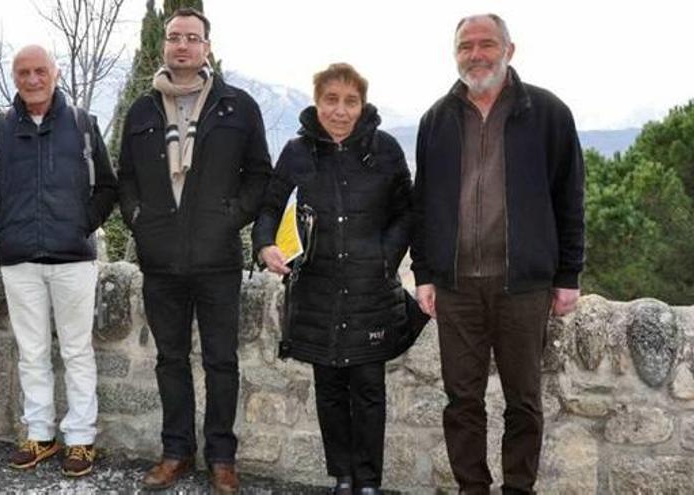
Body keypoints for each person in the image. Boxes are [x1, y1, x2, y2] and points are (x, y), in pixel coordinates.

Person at [411, 14, 585, 494]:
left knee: (524, 401)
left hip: (523, 286)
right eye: (465, 46)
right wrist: (424, 272)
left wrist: (568, 274)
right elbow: (423, 202)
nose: (475, 54)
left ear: (510, 50)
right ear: (456, 54)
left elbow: (569, 197)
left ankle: (518, 488)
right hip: (457, 285)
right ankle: (472, 487)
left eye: (486, 44)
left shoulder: (548, 113)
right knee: (461, 399)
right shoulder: (436, 119)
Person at [116, 7, 271, 493]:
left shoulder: (237, 106)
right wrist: (141, 223)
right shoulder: (142, 110)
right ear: (165, 46)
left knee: (222, 361)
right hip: (161, 262)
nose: (182, 45)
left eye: (192, 38)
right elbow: (126, 180)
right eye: (174, 37)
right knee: (171, 359)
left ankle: (222, 458)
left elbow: (259, 175)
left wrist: (229, 217)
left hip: (218, 260)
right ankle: (176, 452)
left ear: (206, 47)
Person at [253, 63, 421, 495]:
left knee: (368, 389)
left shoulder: (384, 150)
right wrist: (265, 245)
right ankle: (342, 478)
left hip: (371, 291)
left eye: (350, 101)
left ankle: (368, 482)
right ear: (317, 102)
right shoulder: (295, 152)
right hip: (317, 291)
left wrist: (386, 257)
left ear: (362, 105)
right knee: (328, 388)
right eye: (331, 99)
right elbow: (270, 207)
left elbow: (407, 210)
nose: (340, 110)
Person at [0, 45, 117, 477]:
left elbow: (108, 187)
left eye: (40, 71)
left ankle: (80, 439)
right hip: (20, 262)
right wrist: (6, 230)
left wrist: (81, 226)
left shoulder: (83, 125)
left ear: (56, 73)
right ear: (14, 77)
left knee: (76, 350)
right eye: (23, 72)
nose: (32, 79)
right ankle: (39, 434)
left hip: (73, 258)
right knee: (32, 352)